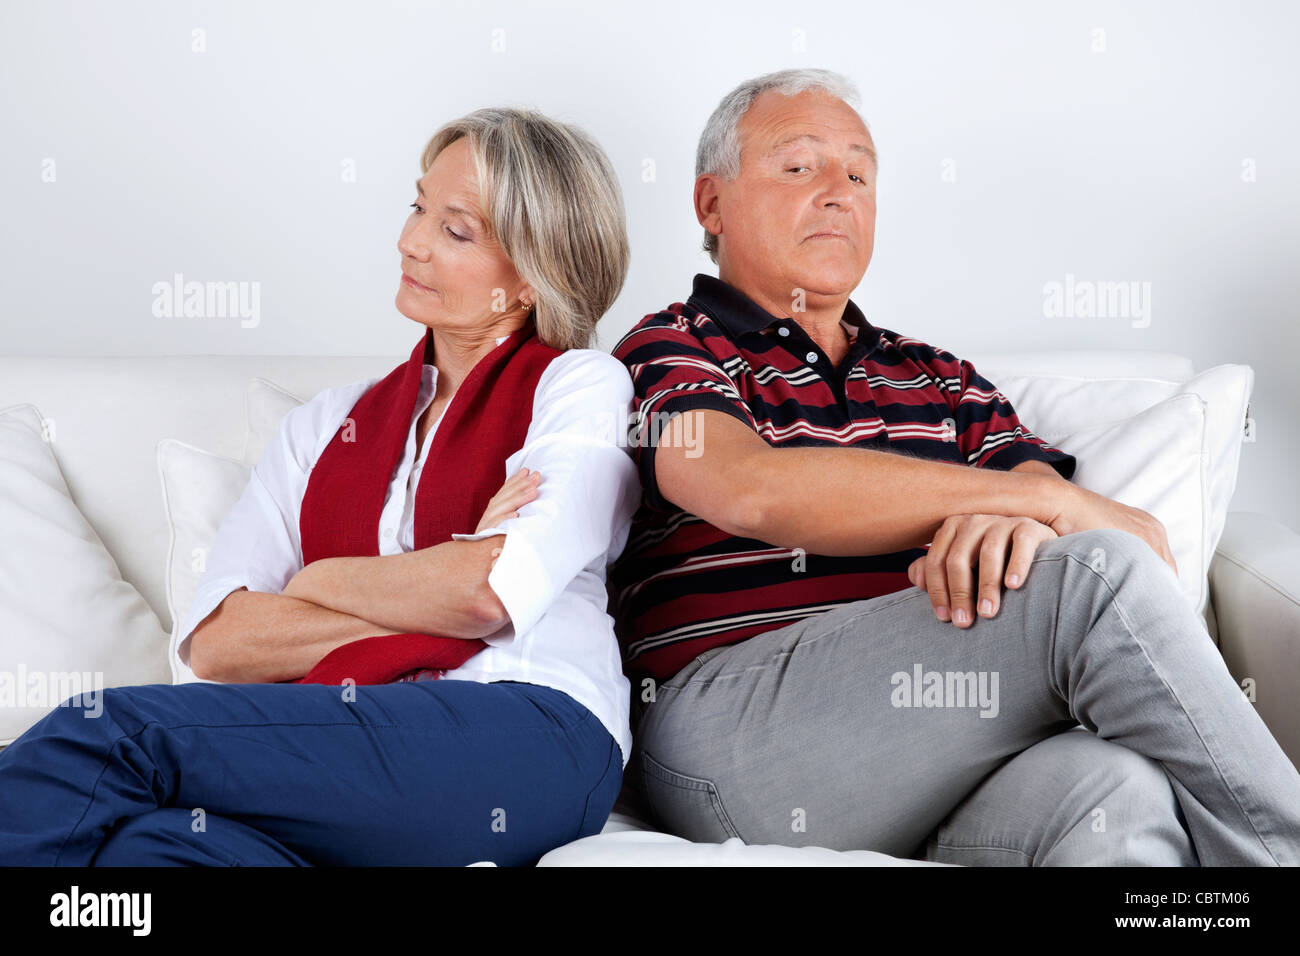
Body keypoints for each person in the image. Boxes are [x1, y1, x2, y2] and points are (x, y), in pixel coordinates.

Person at [608, 68, 1300, 865]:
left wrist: (1024, 509)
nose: (840, 191)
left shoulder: (939, 377)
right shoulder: (673, 343)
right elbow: (746, 485)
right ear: (710, 203)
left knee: (1115, 793)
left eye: (861, 174)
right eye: (800, 166)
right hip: (731, 737)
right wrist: (1014, 505)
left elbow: (1039, 501)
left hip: (926, 747)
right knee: (1094, 577)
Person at [0, 107, 641, 866]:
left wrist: (316, 581)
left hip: (526, 728)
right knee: (154, 847)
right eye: (417, 208)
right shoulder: (324, 425)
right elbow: (218, 643)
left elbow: (489, 591)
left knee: (111, 732)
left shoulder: (578, 388)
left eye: (456, 230)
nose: (410, 241)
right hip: (347, 735)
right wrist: (441, 575)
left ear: (533, 277)